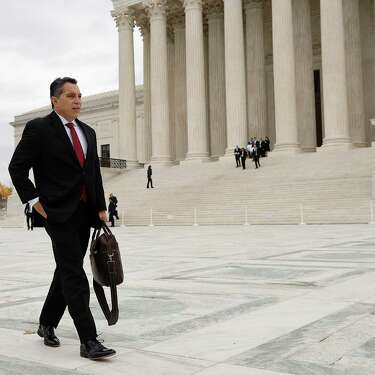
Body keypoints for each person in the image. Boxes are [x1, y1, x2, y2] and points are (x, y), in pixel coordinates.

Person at [8, 77, 116, 360]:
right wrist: (34, 202)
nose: (78, 100)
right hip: (57, 213)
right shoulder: (39, 128)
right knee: (74, 273)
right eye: (70, 95)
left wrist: (101, 207)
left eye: (80, 95)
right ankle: (89, 340)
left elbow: (92, 173)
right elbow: (17, 167)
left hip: (85, 213)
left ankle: (47, 323)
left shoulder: (88, 132)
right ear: (55, 100)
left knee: (66, 269)